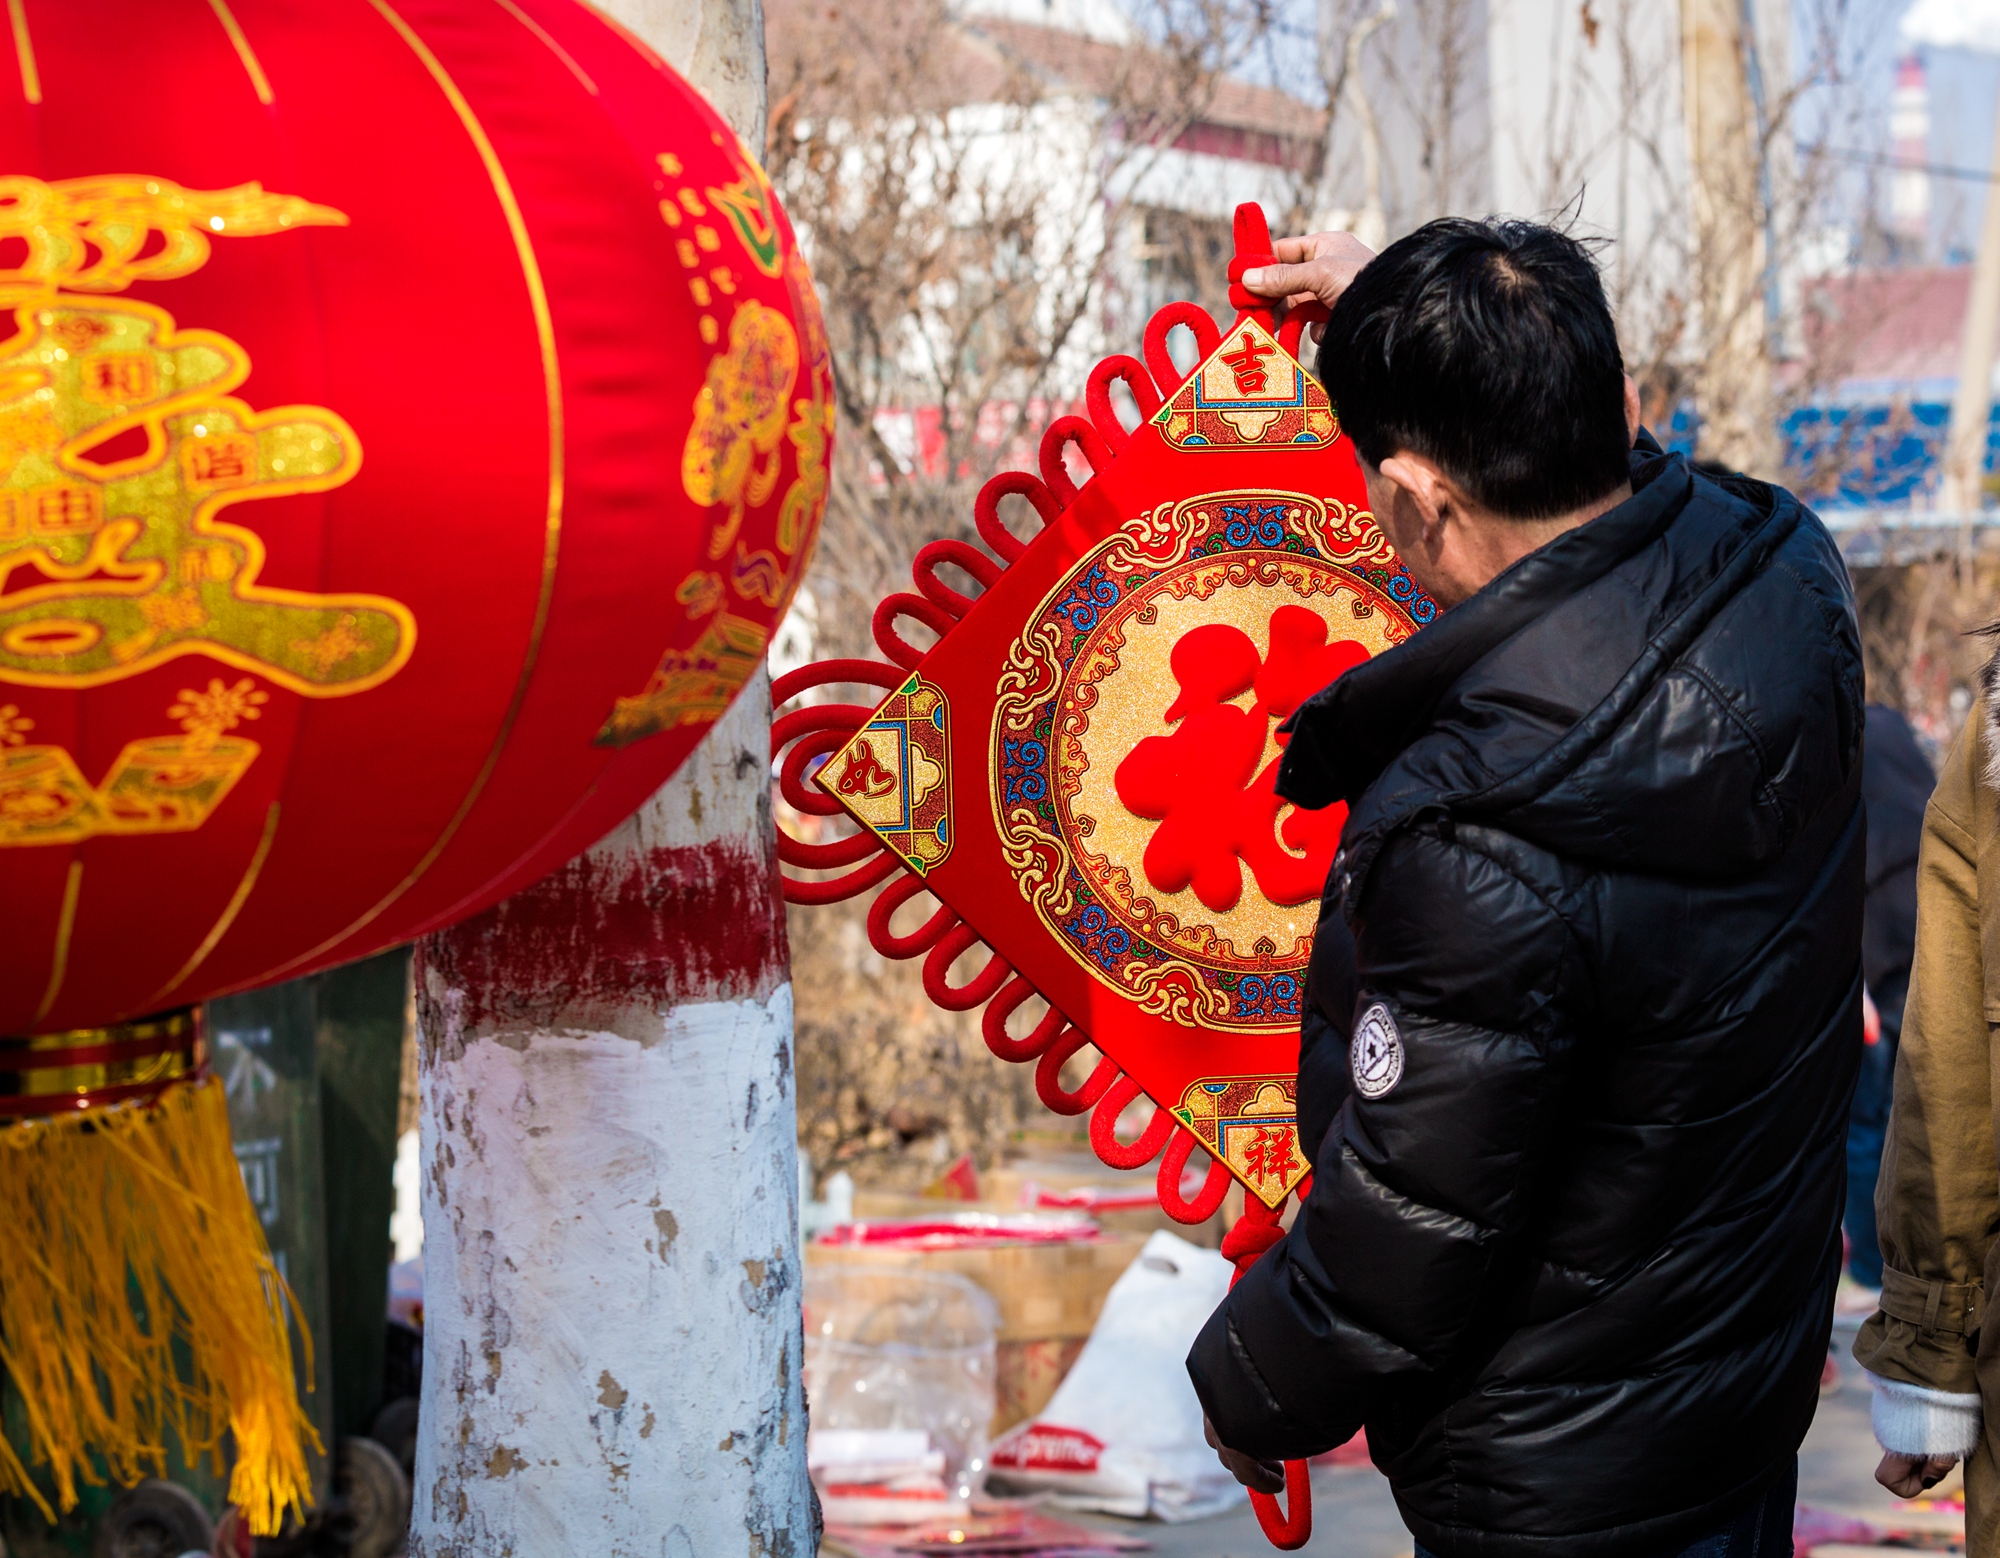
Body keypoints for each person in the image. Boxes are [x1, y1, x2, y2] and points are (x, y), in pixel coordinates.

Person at [1188, 219, 1865, 1557]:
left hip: (1556, 1470)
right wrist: (1433, 309)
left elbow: (1413, 1219)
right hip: (1730, 1387)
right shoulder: (1786, 575)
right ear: (1615, 406)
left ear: (1417, 500)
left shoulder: (1477, 825)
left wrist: (1250, 1384)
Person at [1853, 660, 2000, 1544]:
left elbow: (1951, 1094)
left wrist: (1927, 1356)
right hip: (1904, 961)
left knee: (1872, 1123)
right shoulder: (1923, 744)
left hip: (1898, 963)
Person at [1844, 705, 1931, 1298]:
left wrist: (1858, 990)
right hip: (1930, 957)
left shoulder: (1840, 756)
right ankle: (1899, 1268)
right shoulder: (1899, 745)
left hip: (1883, 963)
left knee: (1868, 1123)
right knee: (1920, 1123)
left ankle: (1874, 1271)